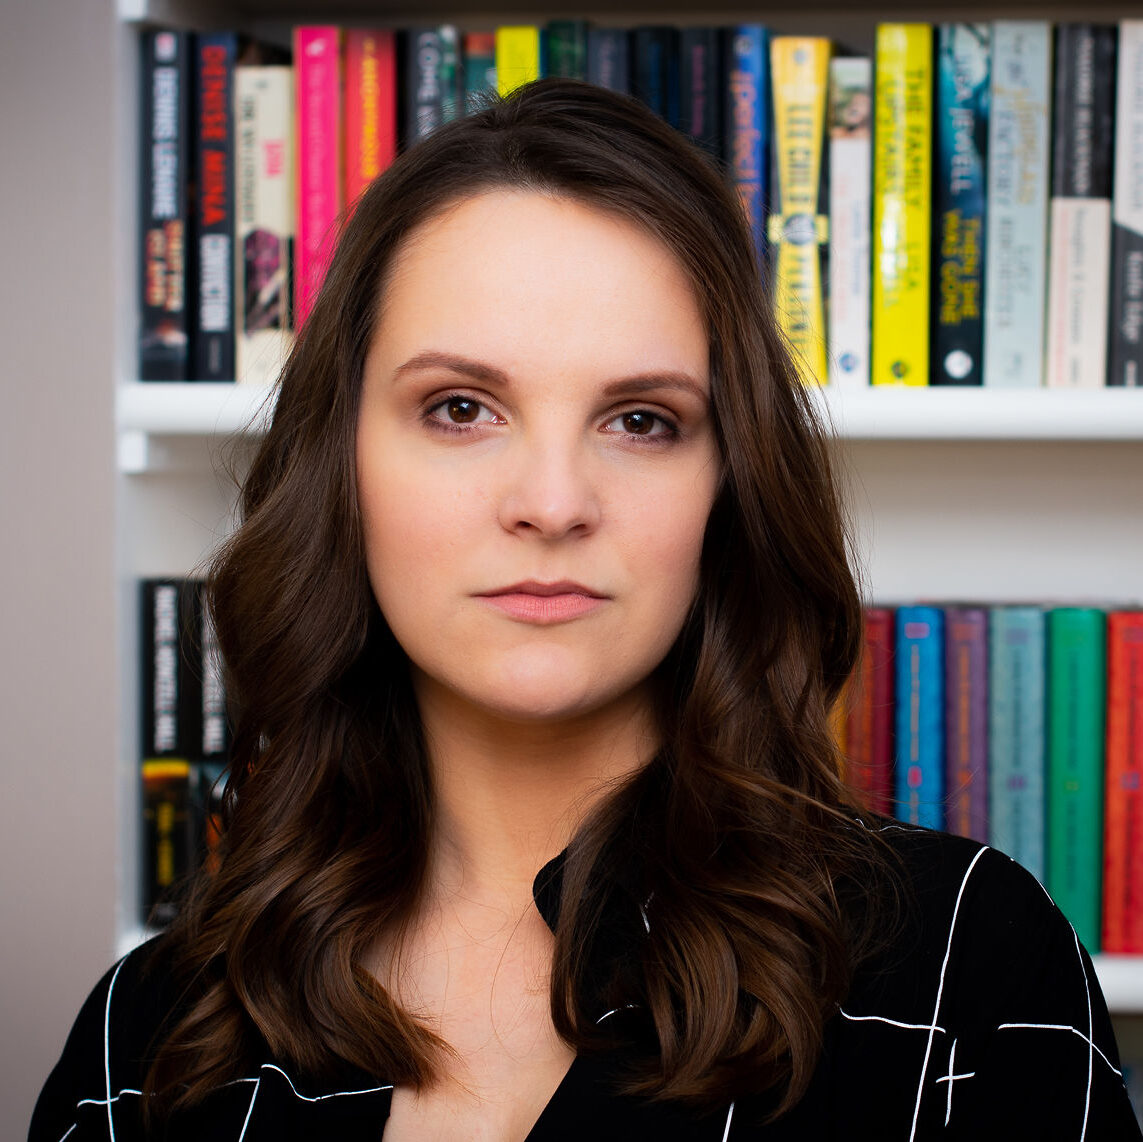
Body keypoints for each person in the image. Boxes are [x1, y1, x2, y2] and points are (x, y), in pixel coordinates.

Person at [30, 78, 1141, 1142]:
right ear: (341, 466)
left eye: (641, 420)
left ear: (728, 483)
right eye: (460, 408)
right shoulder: (148, 1034)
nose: (553, 503)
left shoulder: (970, 969)